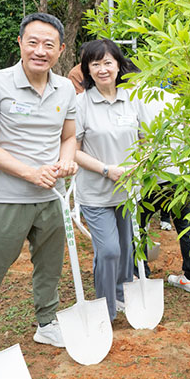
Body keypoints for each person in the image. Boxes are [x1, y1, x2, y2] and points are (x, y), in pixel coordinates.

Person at [0, 13, 78, 349]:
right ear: (20, 43)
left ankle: (47, 322)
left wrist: (66, 160)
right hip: (6, 197)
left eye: (49, 44)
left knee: (50, 265)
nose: (40, 51)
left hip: (52, 196)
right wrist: (30, 173)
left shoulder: (65, 89)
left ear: (61, 50)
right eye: (33, 42)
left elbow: (69, 137)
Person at [74, 39, 146, 320]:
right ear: (87, 70)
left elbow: (146, 140)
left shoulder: (133, 99)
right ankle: (105, 309)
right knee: (108, 251)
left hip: (127, 191)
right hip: (96, 192)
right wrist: (106, 170)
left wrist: (138, 164)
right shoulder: (81, 104)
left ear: (118, 66)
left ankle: (120, 295)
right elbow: (72, 151)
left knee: (126, 250)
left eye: (107, 63)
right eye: (95, 64)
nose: (102, 69)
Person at [139, 88, 190, 293]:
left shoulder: (133, 98)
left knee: (139, 226)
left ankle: (141, 275)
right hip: (180, 176)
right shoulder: (174, 97)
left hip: (151, 178)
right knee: (186, 226)